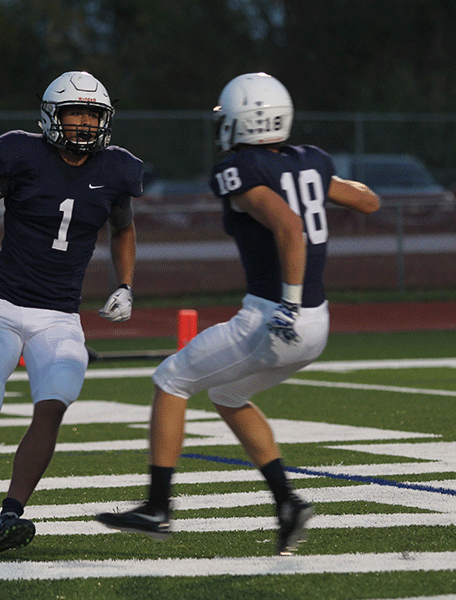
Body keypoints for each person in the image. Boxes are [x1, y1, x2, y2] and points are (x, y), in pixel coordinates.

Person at [95, 72, 379, 555]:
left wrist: (286, 301)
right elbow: (368, 200)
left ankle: (157, 507)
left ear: (245, 120)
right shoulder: (310, 160)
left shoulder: (239, 168)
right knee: (227, 395)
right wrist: (323, 185)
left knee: (170, 380)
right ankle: (287, 503)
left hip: (275, 316)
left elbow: (289, 227)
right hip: (317, 322)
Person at [0, 71, 144, 553]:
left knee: (54, 403)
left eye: (93, 114)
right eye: (75, 113)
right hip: (3, 305)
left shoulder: (118, 169)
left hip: (60, 315)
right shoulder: (20, 155)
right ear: (50, 116)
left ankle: (10, 514)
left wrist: (125, 284)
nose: (84, 124)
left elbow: (122, 229)